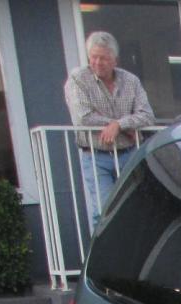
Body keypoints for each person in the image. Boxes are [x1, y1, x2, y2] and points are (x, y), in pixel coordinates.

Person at [63, 31, 155, 229]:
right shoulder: (78, 80)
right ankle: (104, 257)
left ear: (115, 60)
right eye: (93, 57)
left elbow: (147, 115)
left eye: (103, 58)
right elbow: (83, 118)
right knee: (104, 211)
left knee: (135, 205)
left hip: (129, 154)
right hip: (96, 156)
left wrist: (118, 125)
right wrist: (124, 126)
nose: (97, 62)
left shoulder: (131, 81)